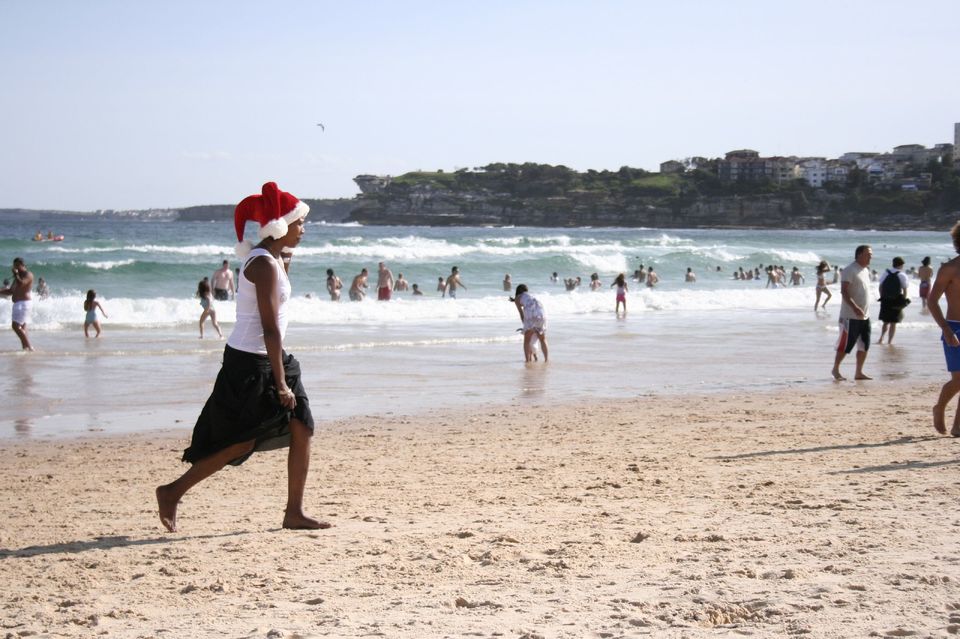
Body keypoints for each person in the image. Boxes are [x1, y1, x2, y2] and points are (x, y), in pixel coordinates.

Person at [156, 181, 326, 532]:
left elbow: (279, 308)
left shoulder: (274, 258)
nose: (303, 229)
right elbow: (270, 328)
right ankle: (172, 491)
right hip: (250, 362)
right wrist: (280, 383)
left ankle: (294, 512)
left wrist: (285, 258)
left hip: (272, 357)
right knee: (240, 441)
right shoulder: (262, 264)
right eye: (299, 223)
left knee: (302, 427)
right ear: (280, 226)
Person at [928, 224, 960, 435]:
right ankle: (939, 407)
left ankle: (958, 426)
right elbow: (932, 301)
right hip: (955, 328)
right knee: (959, 379)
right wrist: (947, 330)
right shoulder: (949, 269)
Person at [831, 245, 873, 381]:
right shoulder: (850, 270)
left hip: (865, 315)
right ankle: (836, 369)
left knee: (864, 344)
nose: (871, 257)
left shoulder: (865, 270)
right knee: (846, 345)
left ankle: (859, 372)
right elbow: (844, 291)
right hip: (850, 315)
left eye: (871, 254)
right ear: (859, 255)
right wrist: (855, 307)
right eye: (868, 254)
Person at [0, 258, 34, 350]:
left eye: (16, 265)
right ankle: (25, 348)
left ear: (22, 265)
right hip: (19, 304)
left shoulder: (28, 275)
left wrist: (15, 274)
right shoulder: (18, 277)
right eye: (14, 266)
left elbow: (21, 284)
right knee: (22, 326)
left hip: (23, 303)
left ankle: (29, 347)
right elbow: (11, 291)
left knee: (15, 326)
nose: (14, 268)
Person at [510, 284, 548, 363]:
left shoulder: (518, 298)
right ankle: (546, 360)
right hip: (542, 315)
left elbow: (521, 313)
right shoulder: (532, 295)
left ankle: (528, 361)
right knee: (542, 339)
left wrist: (525, 325)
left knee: (527, 340)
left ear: (518, 291)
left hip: (531, 316)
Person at [877, 256, 909, 345]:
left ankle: (881, 338)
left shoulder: (886, 273)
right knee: (893, 323)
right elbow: (905, 289)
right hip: (896, 300)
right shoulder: (902, 275)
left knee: (885, 321)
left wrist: (882, 297)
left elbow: (880, 286)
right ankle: (889, 341)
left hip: (885, 300)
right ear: (901, 265)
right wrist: (903, 301)